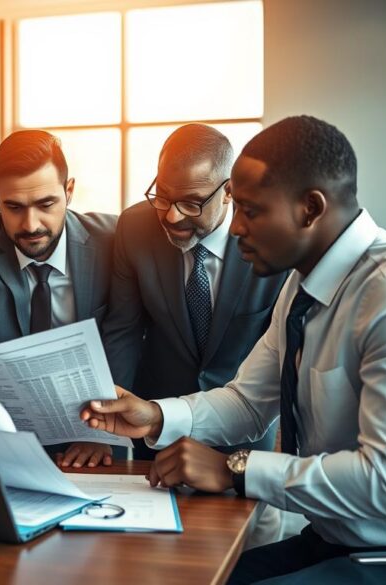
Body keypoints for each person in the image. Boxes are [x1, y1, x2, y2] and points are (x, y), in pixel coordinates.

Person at [81, 116, 386, 584]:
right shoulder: (304, 286)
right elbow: (247, 402)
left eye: (251, 211)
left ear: (310, 208)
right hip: (338, 540)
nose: (234, 228)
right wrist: (155, 415)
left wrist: (237, 469)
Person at [0, 129, 117, 467]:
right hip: (5, 439)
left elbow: (127, 341)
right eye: (13, 207)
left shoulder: (113, 243)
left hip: (96, 433)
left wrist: (102, 430)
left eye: (46, 204)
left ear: (69, 191)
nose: (30, 225)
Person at [102, 124, 286, 462]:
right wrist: (105, 425)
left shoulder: (270, 243)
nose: (172, 216)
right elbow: (122, 332)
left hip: (242, 438)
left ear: (229, 191)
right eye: (162, 196)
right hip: (153, 428)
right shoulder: (135, 228)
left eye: (191, 203)